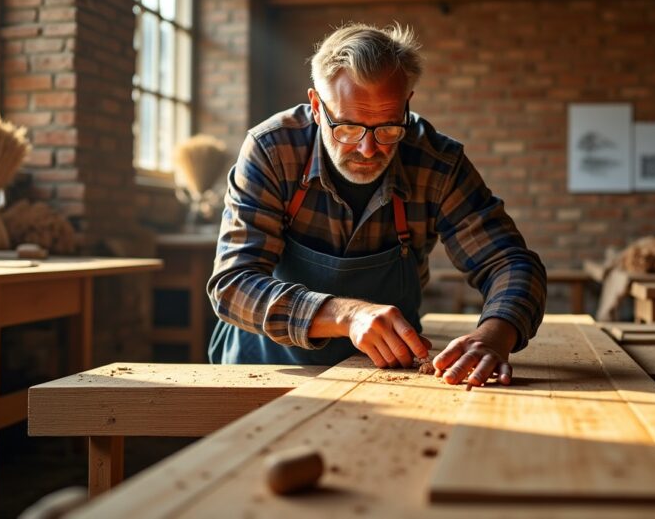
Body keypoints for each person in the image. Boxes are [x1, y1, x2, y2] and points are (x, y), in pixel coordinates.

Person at [207, 22, 546, 387]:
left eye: (388, 128)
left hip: (387, 374)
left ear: (406, 104)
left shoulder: (436, 163)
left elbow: (511, 263)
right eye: (348, 128)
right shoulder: (273, 151)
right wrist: (346, 315)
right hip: (265, 369)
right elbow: (233, 285)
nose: (368, 150)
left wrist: (494, 335)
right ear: (317, 107)